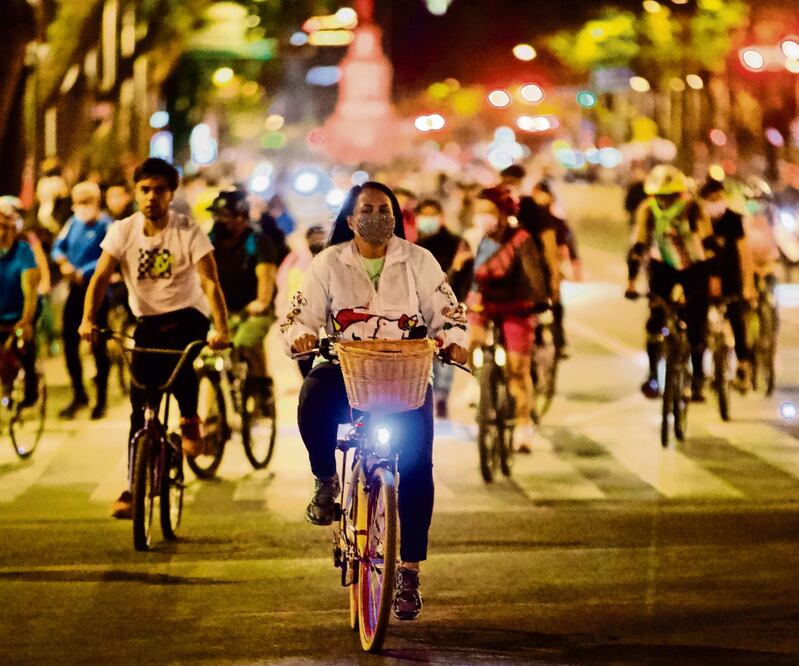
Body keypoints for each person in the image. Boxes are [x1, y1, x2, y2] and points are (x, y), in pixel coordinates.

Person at [282, 181, 469, 621]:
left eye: (384, 209)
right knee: (312, 395)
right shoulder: (328, 263)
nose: (376, 216)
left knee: (418, 467)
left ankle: (409, 572)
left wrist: (454, 341)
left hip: (405, 375)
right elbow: (299, 315)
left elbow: (449, 314)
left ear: (395, 215)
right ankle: (326, 480)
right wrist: (302, 337)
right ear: (350, 219)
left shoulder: (419, 261)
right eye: (366, 209)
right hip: (347, 369)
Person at [78, 158, 230, 519]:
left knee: (179, 368)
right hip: (146, 320)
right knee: (139, 403)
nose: (151, 197)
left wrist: (220, 329)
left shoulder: (188, 230)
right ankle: (134, 486)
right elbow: (100, 278)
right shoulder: (122, 230)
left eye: (159, 190)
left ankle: (190, 418)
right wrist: (87, 320)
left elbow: (209, 282)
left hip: (188, 316)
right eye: (144, 190)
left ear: (171, 193)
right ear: (135, 193)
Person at [468, 187, 552, 453]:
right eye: (480, 211)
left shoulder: (521, 239)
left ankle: (523, 426)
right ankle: (481, 392)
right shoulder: (476, 239)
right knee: (471, 344)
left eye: (489, 211)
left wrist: (539, 299)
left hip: (517, 307)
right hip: (483, 304)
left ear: (505, 214)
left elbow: (533, 273)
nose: (484, 217)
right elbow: (465, 272)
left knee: (518, 369)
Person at [626, 165, 718, 402]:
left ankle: (698, 378)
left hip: (695, 267)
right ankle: (653, 375)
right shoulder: (648, 210)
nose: (665, 202)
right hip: (662, 267)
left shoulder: (694, 208)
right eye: (660, 197)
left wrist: (714, 280)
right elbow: (639, 247)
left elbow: (709, 243)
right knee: (655, 323)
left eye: (670, 196)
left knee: (697, 326)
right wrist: (631, 281)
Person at [208, 190, 279, 405]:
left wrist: (262, 302)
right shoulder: (210, 241)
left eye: (225, 215)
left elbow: (265, 275)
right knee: (204, 360)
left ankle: (263, 385)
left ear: (241, 217)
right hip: (221, 311)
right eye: (217, 215)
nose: (219, 221)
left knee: (247, 343)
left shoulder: (256, 241)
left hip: (252, 310)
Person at [52, 181, 112, 419]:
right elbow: (58, 247)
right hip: (75, 291)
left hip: (97, 291)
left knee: (98, 344)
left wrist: (84, 271)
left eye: (87, 201)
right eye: (78, 202)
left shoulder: (107, 226)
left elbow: (109, 256)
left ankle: (102, 399)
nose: (82, 207)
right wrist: (64, 263)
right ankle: (79, 394)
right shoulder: (72, 223)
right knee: (69, 341)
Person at [414, 197, 473, 417]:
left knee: (445, 353)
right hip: (420, 308)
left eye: (432, 215)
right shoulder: (414, 247)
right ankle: (427, 397)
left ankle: (441, 397)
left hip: (450, 305)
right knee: (425, 356)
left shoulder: (456, 243)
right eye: (424, 215)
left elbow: (466, 274)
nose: (427, 220)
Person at [699, 179, 756, 391]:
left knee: (736, 319)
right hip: (705, 280)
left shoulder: (733, 219)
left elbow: (744, 253)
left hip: (731, 278)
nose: (716, 202)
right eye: (711, 199)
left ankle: (743, 365)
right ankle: (699, 372)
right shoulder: (699, 220)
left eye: (719, 198)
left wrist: (748, 285)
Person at [0, 201, 40, 407]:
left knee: (22, 347)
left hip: (21, 310)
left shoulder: (23, 250)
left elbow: (30, 291)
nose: (2, 232)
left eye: (6, 227)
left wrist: (25, 321)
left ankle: (31, 387)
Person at [275, 225, 328, 378]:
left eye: (321, 238)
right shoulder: (295, 266)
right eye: (313, 239)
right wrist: (297, 333)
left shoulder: (335, 266)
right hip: (308, 340)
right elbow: (288, 304)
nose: (317, 242)